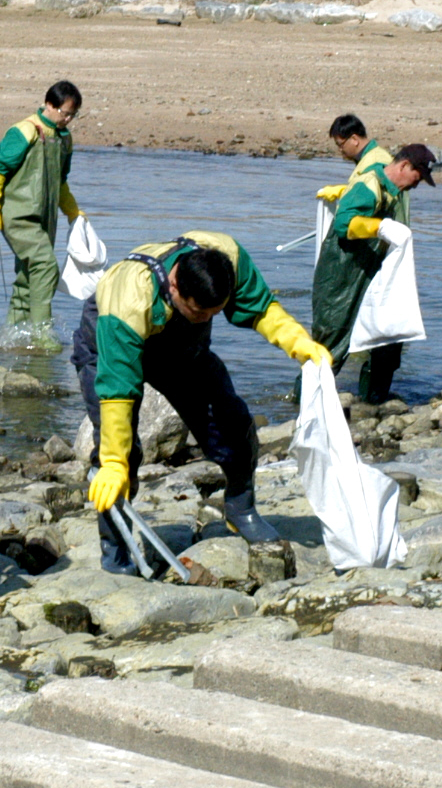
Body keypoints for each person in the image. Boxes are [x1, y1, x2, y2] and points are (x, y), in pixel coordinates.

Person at [72, 233, 330, 571]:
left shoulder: (227, 259)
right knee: (119, 457)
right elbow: (118, 390)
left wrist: (301, 344)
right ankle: (116, 552)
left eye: (215, 313)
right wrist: (114, 462)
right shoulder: (128, 302)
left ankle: (241, 509)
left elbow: (261, 308)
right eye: (199, 313)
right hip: (105, 347)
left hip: (181, 353)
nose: (207, 319)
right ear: (176, 288)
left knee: (233, 424)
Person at [310, 144, 438, 403]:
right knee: (332, 343)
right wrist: (379, 227)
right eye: (417, 178)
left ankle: (373, 402)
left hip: (373, 272)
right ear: (404, 166)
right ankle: (304, 403)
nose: (417, 185)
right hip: (343, 275)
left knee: (389, 338)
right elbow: (344, 223)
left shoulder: (394, 190)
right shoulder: (370, 184)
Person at [0, 81, 83, 351]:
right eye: (65, 112)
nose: (69, 119)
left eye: (73, 114)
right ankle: (41, 334)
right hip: (17, 215)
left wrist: (73, 212)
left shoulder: (64, 139)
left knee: (28, 277)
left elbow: (60, 181)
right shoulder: (23, 131)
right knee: (45, 267)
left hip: (46, 218)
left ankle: (14, 336)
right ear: (49, 105)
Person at [316, 113, 390, 203]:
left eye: (340, 145)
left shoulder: (371, 165)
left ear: (354, 140)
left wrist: (347, 193)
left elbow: (368, 199)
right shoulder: (378, 154)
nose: (340, 150)